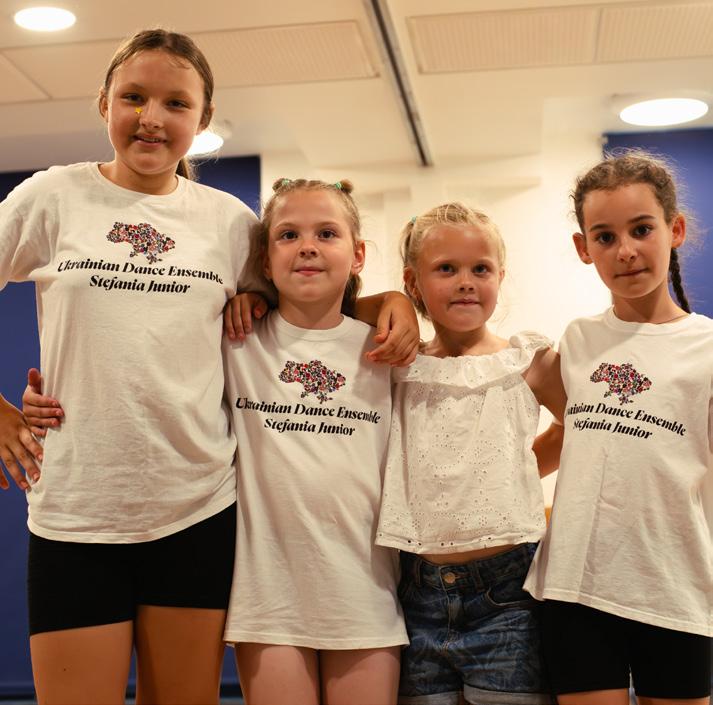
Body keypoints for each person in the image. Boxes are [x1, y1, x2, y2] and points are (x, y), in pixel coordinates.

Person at [524, 151, 713, 705]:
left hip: (676, 587)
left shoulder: (707, 348)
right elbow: (575, 437)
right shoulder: (577, 339)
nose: (625, 250)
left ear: (675, 230)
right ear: (583, 248)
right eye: (604, 237)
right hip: (573, 585)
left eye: (641, 229)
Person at [217, 177, 408, 705]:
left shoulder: (387, 350)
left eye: (327, 233)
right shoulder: (236, 341)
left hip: (366, 591)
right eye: (288, 235)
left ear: (358, 254)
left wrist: (396, 300)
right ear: (264, 257)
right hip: (268, 597)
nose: (307, 246)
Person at [375, 203, 565, 705]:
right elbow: (341, 309)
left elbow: (582, 425)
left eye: (481, 269)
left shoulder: (527, 361)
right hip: (417, 592)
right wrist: (388, 302)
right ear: (413, 283)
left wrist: (518, 467)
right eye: (446, 269)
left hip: (508, 594)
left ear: (500, 276)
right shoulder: (399, 367)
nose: (465, 282)